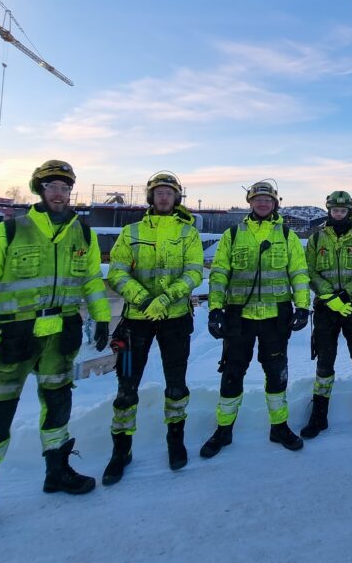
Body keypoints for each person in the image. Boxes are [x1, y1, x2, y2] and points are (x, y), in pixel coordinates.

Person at [0, 160, 111, 545]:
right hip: (16, 334)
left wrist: (102, 319)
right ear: (39, 190)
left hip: (61, 335)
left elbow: (90, 279)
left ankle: (57, 472)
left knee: (58, 406)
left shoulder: (81, 233)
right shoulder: (9, 230)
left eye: (64, 187)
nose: (59, 193)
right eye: (52, 186)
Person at [102, 172, 204, 485]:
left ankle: (176, 441)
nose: (163, 197)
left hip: (174, 320)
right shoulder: (131, 232)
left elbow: (194, 273)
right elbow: (117, 273)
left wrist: (167, 299)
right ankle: (121, 450)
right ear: (151, 196)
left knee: (176, 385)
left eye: (169, 193)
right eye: (158, 192)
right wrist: (145, 300)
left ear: (176, 199)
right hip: (136, 323)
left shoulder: (187, 233)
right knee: (126, 388)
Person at [200, 180, 310, 457]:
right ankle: (223, 430)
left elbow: (298, 272)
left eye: (268, 200)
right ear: (250, 203)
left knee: (276, 374)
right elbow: (220, 272)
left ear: (275, 204)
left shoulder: (286, 235)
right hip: (240, 317)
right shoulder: (234, 234)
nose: (263, 204)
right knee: (232, 372)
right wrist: (215, 309)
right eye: (258, 199)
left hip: (275, 317)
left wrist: (303, 306)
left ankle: (279, 426)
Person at [300, 190, 352, 439]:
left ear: (349, 212)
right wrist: (330, 298)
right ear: (329, 211)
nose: (338, 214)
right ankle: (318, 418)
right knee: (324, 362)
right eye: (334, 210)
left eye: (343, 211)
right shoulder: (316, 239)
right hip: (326, 309)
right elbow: (309, 271)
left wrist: (347, 295)